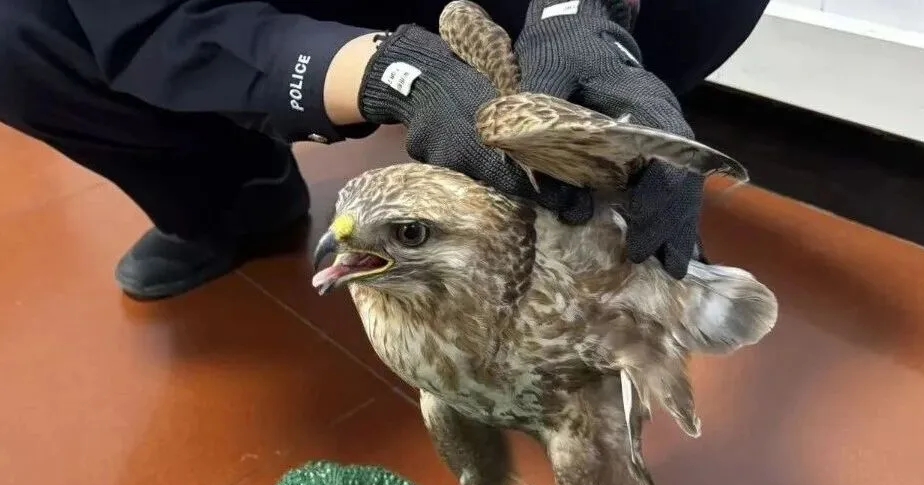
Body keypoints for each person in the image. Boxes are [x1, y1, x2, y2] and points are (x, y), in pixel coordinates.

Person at [0, 0, 768, 301]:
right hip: (269, 16)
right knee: (18, 29)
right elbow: (158, 21)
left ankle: (604, 156)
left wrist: (579, 15)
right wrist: (399, 76)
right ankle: (232, 194)